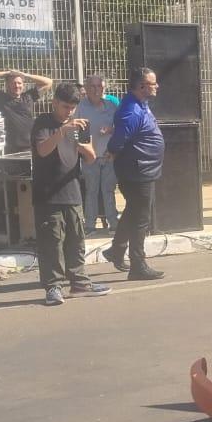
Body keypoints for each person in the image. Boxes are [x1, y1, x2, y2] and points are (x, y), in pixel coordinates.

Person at [31, 82, 109, 306]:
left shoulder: (78, 125)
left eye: (72, 108)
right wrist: (62, 131)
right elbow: (42, 150)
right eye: (65, 107)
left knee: (76, 239)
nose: (69, 112)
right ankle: (53, 286)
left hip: (72, 190)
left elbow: (91, 156)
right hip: (48, 194)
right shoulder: (43, 123)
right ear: (55, 102)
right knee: (52, 242)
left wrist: (79, 143)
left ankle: (80, 283)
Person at [105, 67, 165, 280]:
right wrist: (111, 152)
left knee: (133, 211)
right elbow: (120, 137)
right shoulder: (132, 109)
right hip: (137, 170)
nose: (157, 86)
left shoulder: (141, 104)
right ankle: (138, 265)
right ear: (141, 86)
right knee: (141, 218)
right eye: (153, 83)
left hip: (143, 168)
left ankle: (116, 249)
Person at [75, 73, 119, 235]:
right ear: (86, 89)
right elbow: (73, 131)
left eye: (99, 86)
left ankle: (113, 224)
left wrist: (111, 132)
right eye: (92, 86)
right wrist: (84, 152)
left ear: (104, 88)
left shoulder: (112, 106)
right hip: (89, 158)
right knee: (91, 192)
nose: (96, 89)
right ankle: (90, 226)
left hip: (109, 156)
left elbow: (121, 129)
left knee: (108, 191)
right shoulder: (80, 107)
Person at [0, 68, 54, 153]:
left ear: (23, 85)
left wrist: (25, 75)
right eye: (13, 83)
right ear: (7, 85)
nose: (16, 86)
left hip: (31, 147)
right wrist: (6, 73)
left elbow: (49, 82)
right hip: (9, 149)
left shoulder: (28, 97)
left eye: (19, 83)